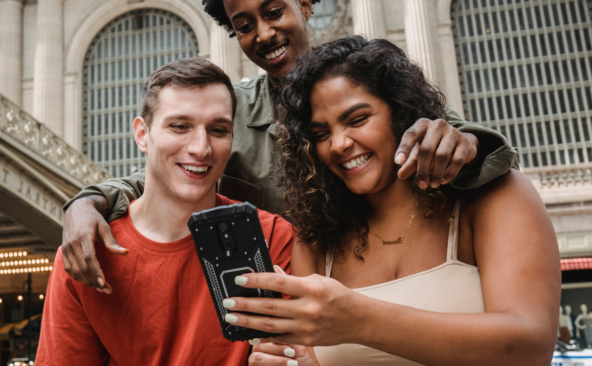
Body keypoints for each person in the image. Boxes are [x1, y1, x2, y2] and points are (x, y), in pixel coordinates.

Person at [61, 0, 518, 295]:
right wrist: (89, 201)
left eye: (274, 11)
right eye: (244, 26)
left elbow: (468, 143)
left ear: (304, 4)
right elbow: (164, 178)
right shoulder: (228, 115)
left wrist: (463, 145)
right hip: (288, 306)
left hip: (393, 284)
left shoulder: (371, 82)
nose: (262, 34)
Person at [221, 37, 561, 366]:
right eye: (321, 134)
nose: (338, 144)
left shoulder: (493, 197)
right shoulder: (316, 238)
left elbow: (531, 348)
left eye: (358, 119)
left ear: (401, 113)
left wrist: (359, 319)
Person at [36, 59, 295, 365]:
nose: (201, 148)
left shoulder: (272, 237)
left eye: (218, 129)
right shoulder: (86, 254)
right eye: (180, 126)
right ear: (142, 134)